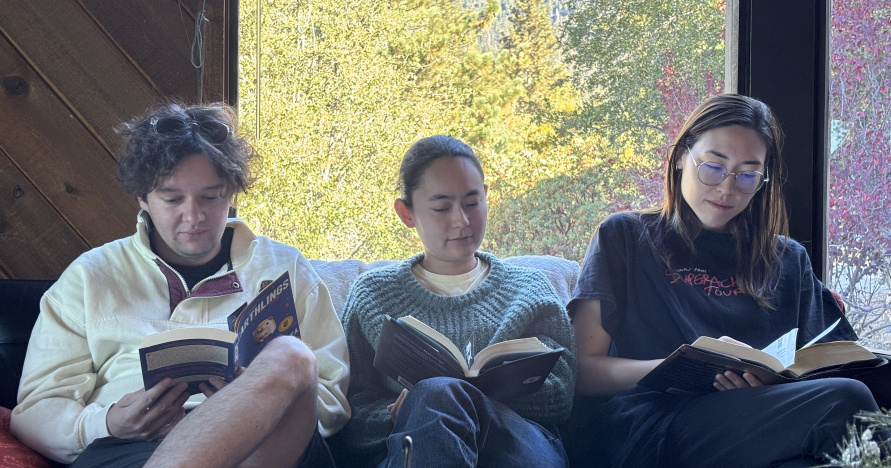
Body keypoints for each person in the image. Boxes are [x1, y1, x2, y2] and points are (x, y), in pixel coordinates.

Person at [10, 102, 350, 467]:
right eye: (172, 199)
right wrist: (106, 422)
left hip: (267, 449)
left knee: (292, 356)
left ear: (232, 194)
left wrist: (252, 400)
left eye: (211, 196)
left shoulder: (285, 268)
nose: (194, 216)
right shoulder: (90, 277)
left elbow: (332, 396)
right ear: (143, 198)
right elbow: (34, 412)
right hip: (133, 450)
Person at [566, 93, 883, 467]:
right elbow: (583, 371)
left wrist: (775, 383)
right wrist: (681, 367)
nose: (728, 188)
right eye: (714, 167)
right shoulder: (625, 236)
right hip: (658, 425)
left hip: (766, 422)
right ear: (682, 156)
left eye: (748, 175)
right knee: (846, 403)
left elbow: (829, 361)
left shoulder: (787, 259)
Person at [338, 135, 576, 467]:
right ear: (406, 213)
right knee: (433, 398)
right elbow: (350, 414)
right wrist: (399, 412)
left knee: (439, 394)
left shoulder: (529, 290)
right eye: (441, 207)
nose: (461, 221)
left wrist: (470, 397)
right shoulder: (372, 296)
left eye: (472, 202)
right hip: (410, 446)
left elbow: (561, 397)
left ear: (486, 197)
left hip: (518, 445)